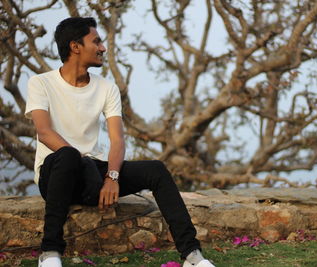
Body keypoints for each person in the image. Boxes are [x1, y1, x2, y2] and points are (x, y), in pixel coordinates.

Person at [25, 17, 215, 267]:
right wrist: (82, 163)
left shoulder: (107, 88)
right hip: (56, 174)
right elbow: (45, 132)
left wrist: (112, 177)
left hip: (93, 175)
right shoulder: (41, 82)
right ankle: (49, 253)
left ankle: (192, 256)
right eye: (97, 41)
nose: (103, 47)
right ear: (75, 46)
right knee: (70, 156)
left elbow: (117, 139)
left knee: (156, 170)